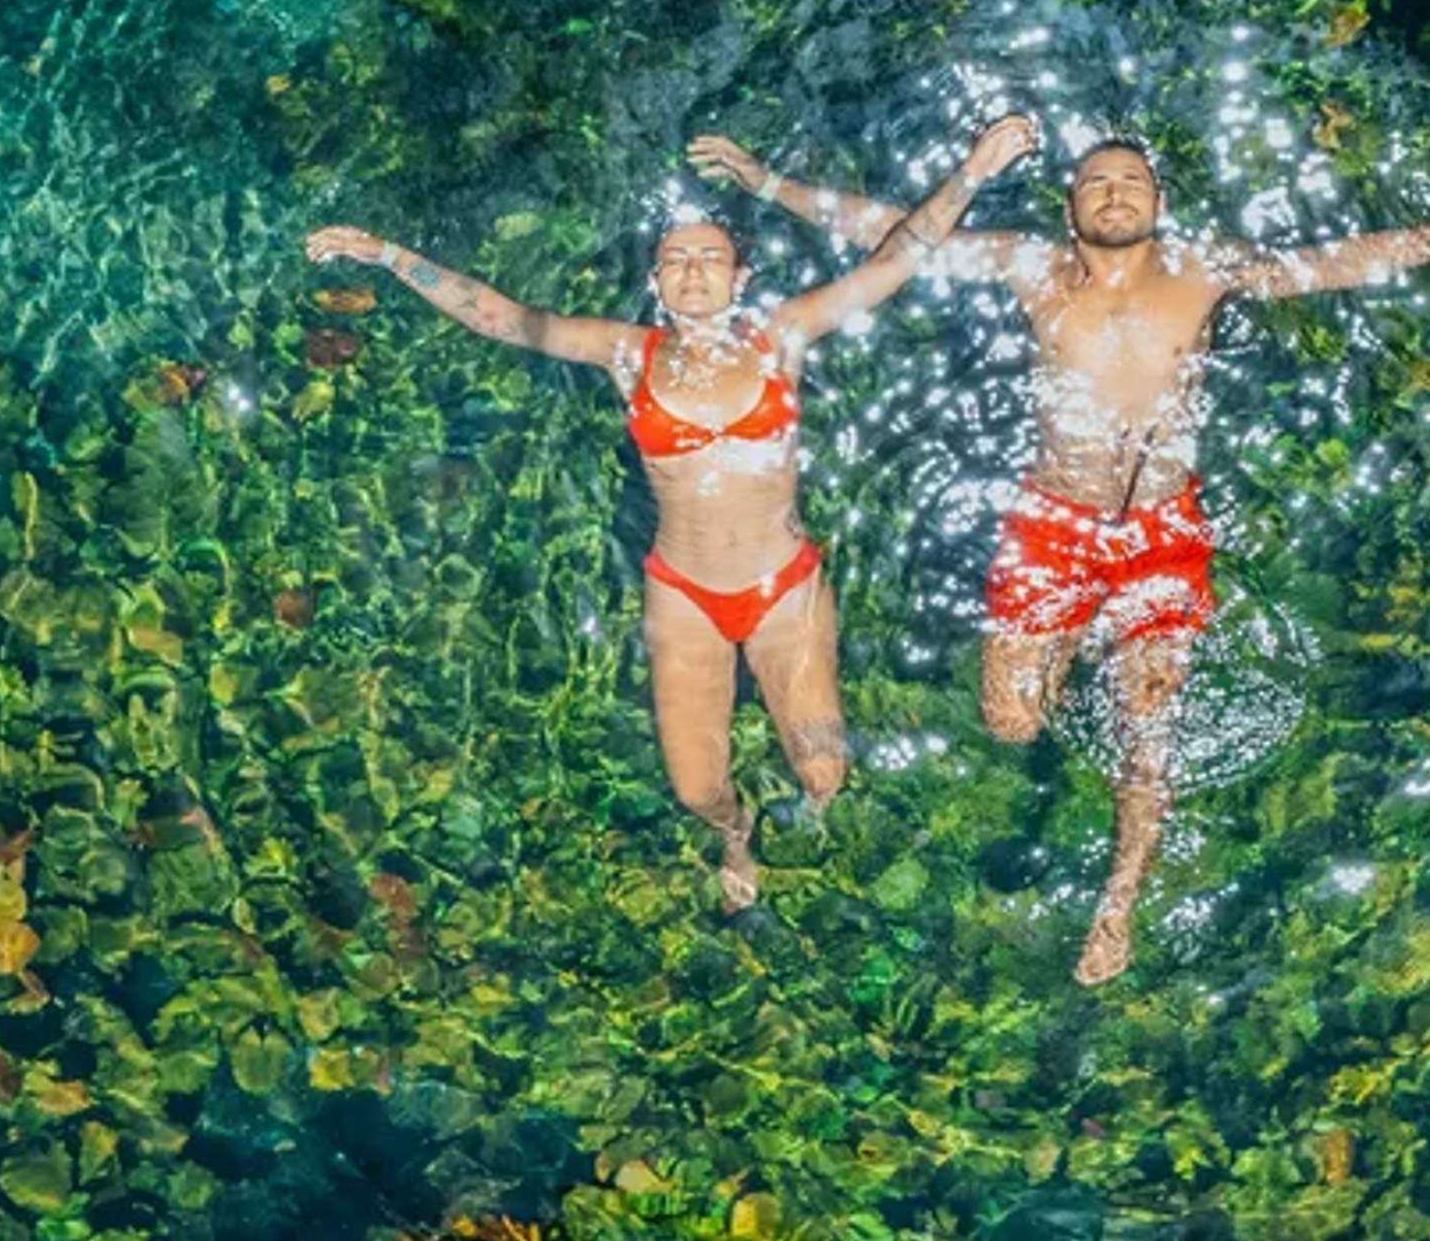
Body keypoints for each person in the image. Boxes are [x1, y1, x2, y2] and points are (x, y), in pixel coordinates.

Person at [690, 127, 1430, 983]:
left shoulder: (1202, 270)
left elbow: (1334, 262)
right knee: (1013, 722)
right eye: (1095, 183)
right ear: (1070, 209)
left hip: (1161, 534)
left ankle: (1117, 904)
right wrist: (763, 181)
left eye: (1131, 181)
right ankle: (1082, 641)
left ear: (1158, 203)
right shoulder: (1033, 268)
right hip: (1051, 522)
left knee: (1150, 734)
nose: (1113, 194)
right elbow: (891, 231)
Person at [306, 112, 1041, 911]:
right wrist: (384, 254)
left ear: (741, 277)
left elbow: (900, 256)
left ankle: (817, 822)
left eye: (710, 258)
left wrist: (972, 172)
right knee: (696, 789)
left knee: (825, 770)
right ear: (656, 283)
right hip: (684, 594)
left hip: (784, 588)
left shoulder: (781, 337)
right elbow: (501, 317)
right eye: (675, 260)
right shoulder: (630, 354)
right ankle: (737, 833)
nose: (693, 271)